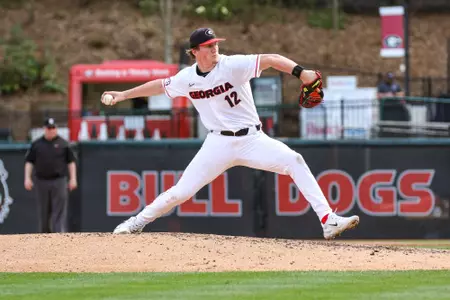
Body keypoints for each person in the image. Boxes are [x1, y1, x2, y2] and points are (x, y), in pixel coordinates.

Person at [102, 28, 359, 240]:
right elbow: (160, 86)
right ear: (194, 52)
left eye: (215, 43)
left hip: (252, 139)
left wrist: (301, 73)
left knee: (295, 161)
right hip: (218, 143)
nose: (214, 48)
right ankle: (136, 222)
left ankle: (328, 220)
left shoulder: (232, 65)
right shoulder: (187, 78)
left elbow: (270, 58)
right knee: (181, 193)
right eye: (208, 45)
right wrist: (123, 95)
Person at [24, 117, 78, 233]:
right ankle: (45, 237)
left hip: (59, 180)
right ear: (44, 129)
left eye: (53, 128)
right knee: (44, 211)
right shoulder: (37, 144)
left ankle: (58, 237)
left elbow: (71, 162)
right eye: (49, 128)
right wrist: (27, 178)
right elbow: (29, 162)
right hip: (41, 180)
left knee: (58, 212)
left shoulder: (63, 144)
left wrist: (73, 178)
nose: (51, 130)